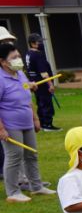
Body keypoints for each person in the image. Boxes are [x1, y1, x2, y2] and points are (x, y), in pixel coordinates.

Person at [0, 41, 46, 203]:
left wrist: (35, 118)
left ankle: (36, 186)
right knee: (14, 156)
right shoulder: (1, 78)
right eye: (14, 57)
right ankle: (13, 192)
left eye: (18, 56)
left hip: (27, 122)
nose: (18, 60)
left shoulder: (20, 74)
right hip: (10, 125)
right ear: (3, 61)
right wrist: (1, 129)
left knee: (31, 154)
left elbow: (27, 97)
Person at [24, 33, 56, 131]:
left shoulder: (28, 54)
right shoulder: (38, 55)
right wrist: (50, 84)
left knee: (40, 103)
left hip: (35, 82)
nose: (41, 44)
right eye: (39, 42)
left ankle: (41, 123)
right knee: (46, 103)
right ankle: (47, 124)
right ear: (32, 43)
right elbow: (43, 73)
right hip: (42, 83)